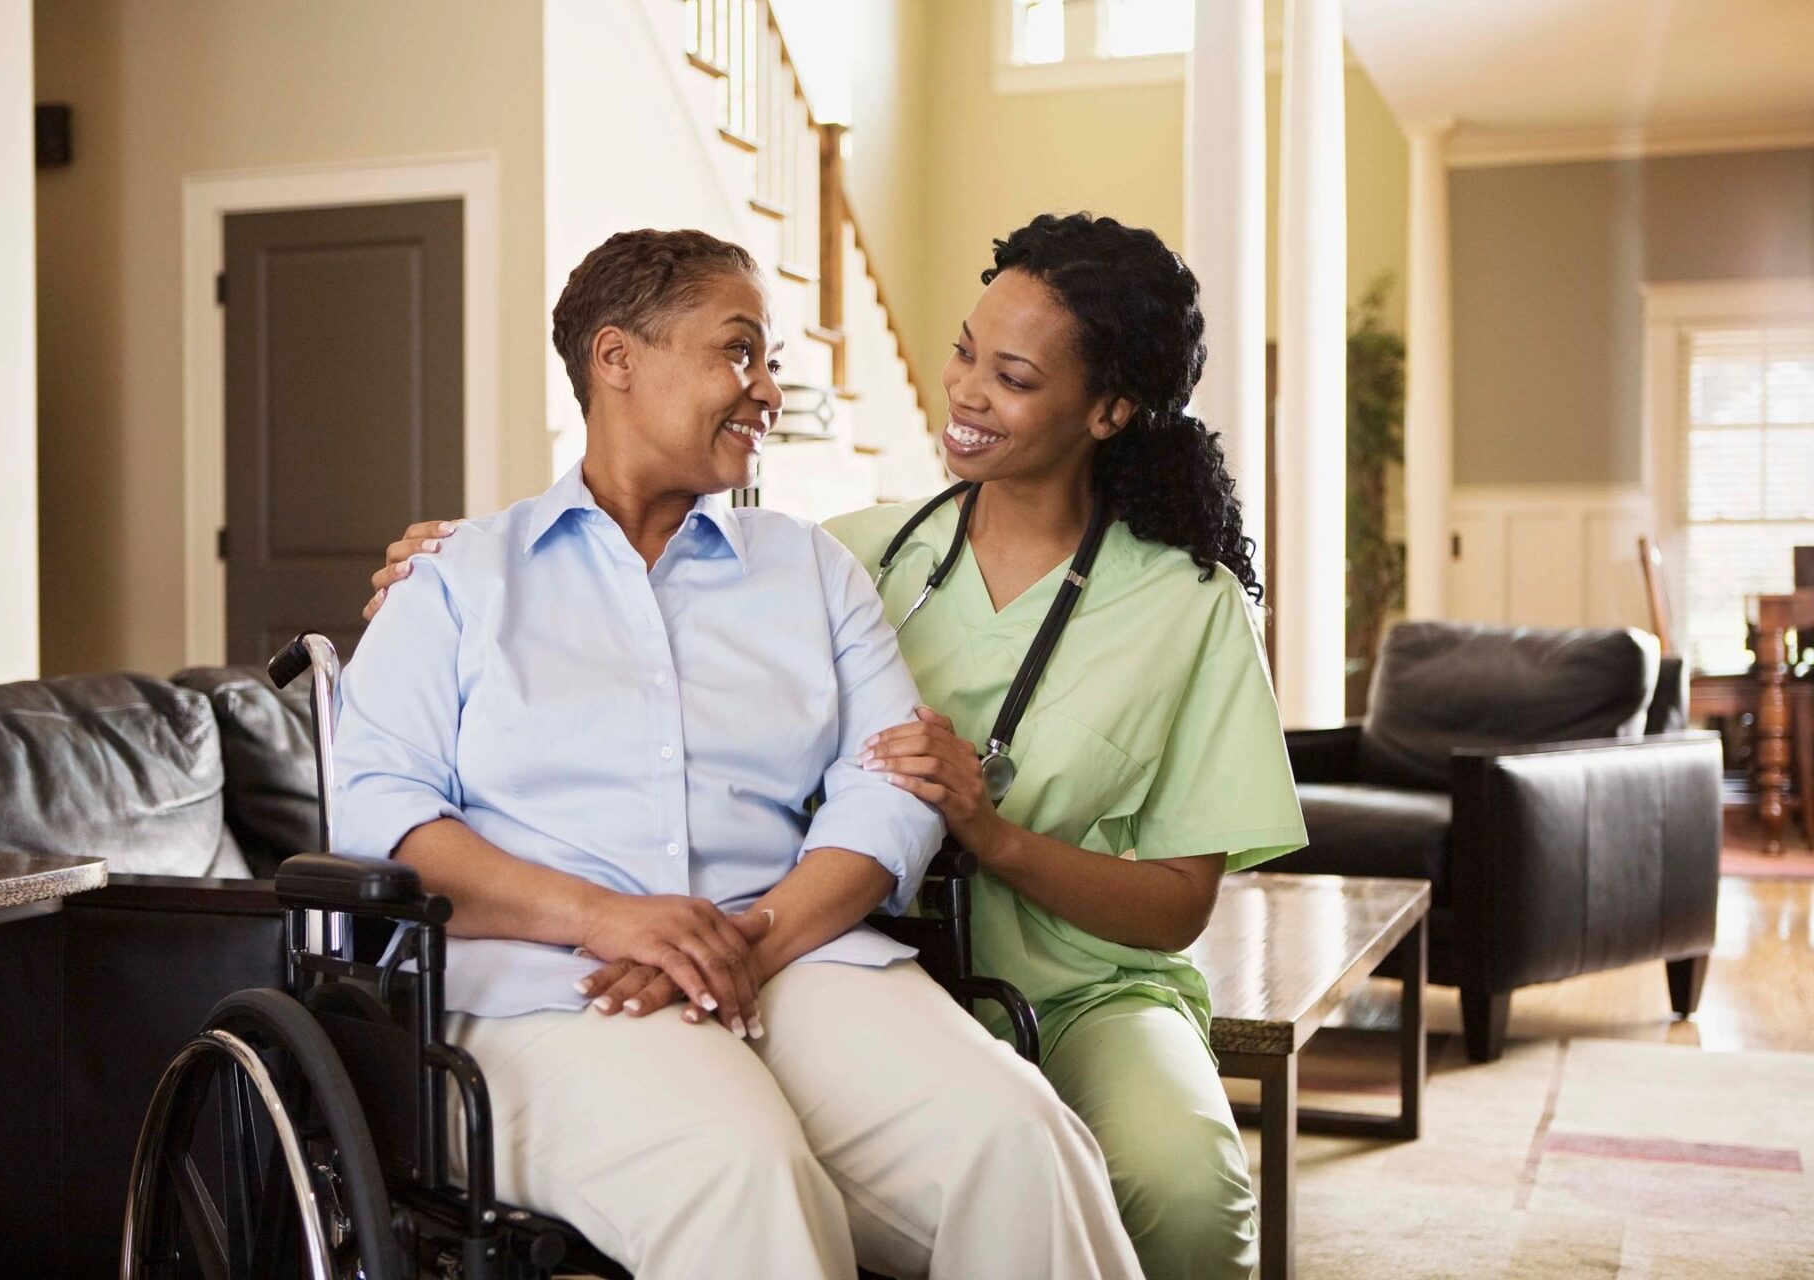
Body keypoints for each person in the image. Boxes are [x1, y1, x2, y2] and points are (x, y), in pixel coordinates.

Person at [372, 213, 1305, 1280]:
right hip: (561, 979)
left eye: (1008, 374)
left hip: (859, 960)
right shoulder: (467, 576)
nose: (770, 388)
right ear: (614, 359)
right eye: (742, 351)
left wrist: (751, 939)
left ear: (1108, 410)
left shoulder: (812, 568)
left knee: (1031, 1145)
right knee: (746, 1167)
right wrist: (623, 920)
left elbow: (888, 789)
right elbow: (384, 816)